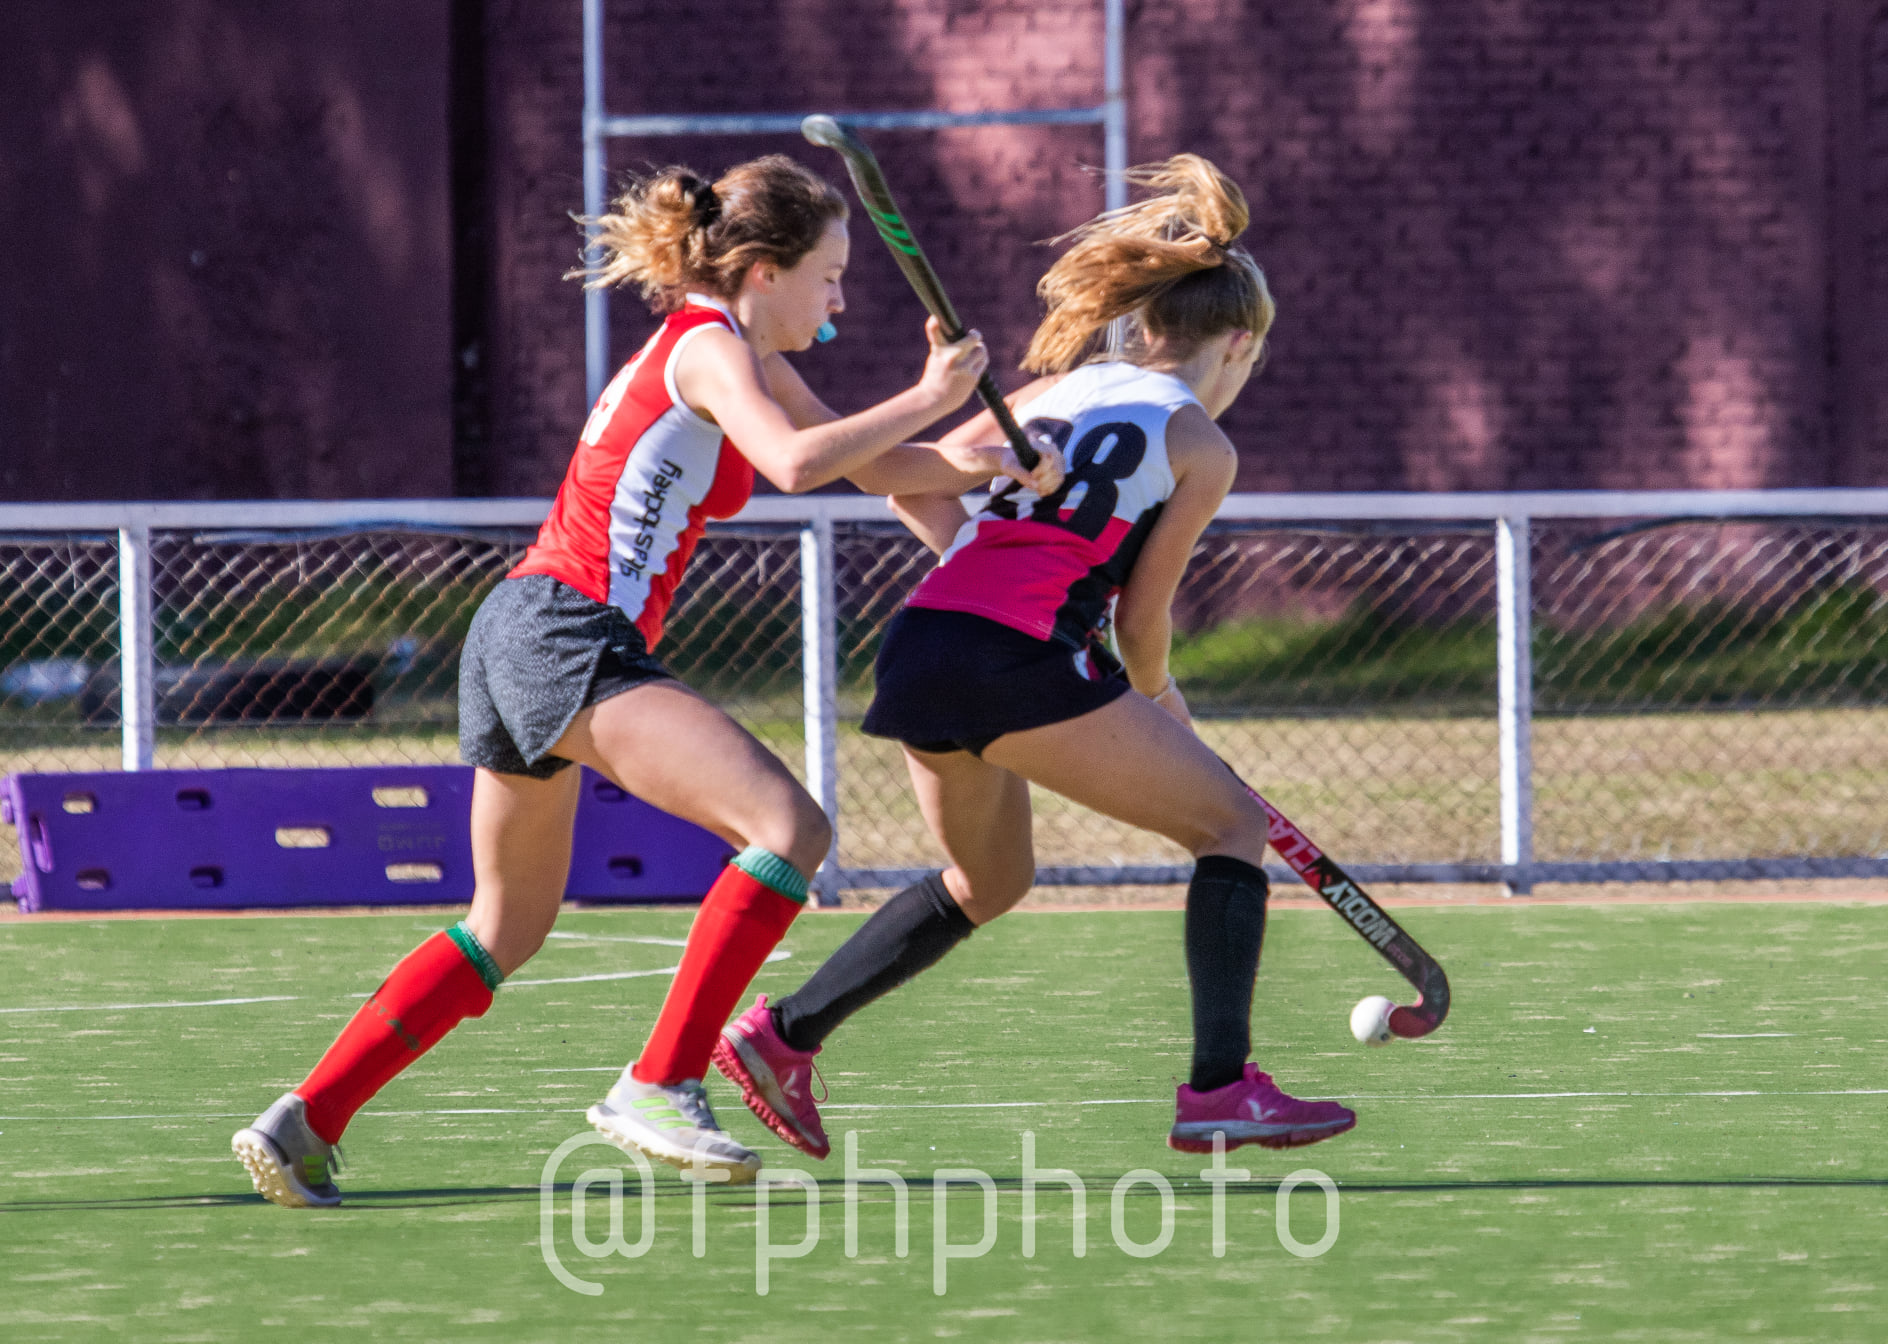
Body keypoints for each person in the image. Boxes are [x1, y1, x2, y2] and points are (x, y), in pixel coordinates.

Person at [231, 154, 1059, 1207]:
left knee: (505, 926)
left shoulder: (739, 354)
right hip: (566, 629)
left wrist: (985, 462)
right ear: (763, 272)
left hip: (519, 628)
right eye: (830, 276)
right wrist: (929, 395)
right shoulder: (712, 349)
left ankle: (306, 1118)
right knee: (789, 829)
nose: (841, 301)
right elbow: (794, 466)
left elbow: (863, 463)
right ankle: (661, 1082)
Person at [711, 154, 1357, 1161]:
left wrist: (987, 567)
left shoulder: (1054, 389)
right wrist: (1161, 702)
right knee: (1230, 825)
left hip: (924, 645)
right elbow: (1142, 621)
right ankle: (1220, 1090)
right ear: (1237, 345)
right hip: (1013, 659)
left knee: (991, 878)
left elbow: (915, 486)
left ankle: (782, 1034)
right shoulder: (1201, 444)